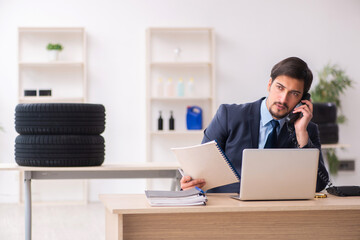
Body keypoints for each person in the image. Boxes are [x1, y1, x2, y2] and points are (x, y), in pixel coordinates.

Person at [180, 57, 329, 193]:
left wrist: (301, 134)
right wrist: (190, 184)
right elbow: (198, 170)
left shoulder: (306, 130)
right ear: (269, 84)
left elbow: (319, 184)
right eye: (280, 87)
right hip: (228, 211)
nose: (283, 99)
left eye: (294, 93)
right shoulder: (228, 115)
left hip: (279, 213)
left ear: (302, 99)